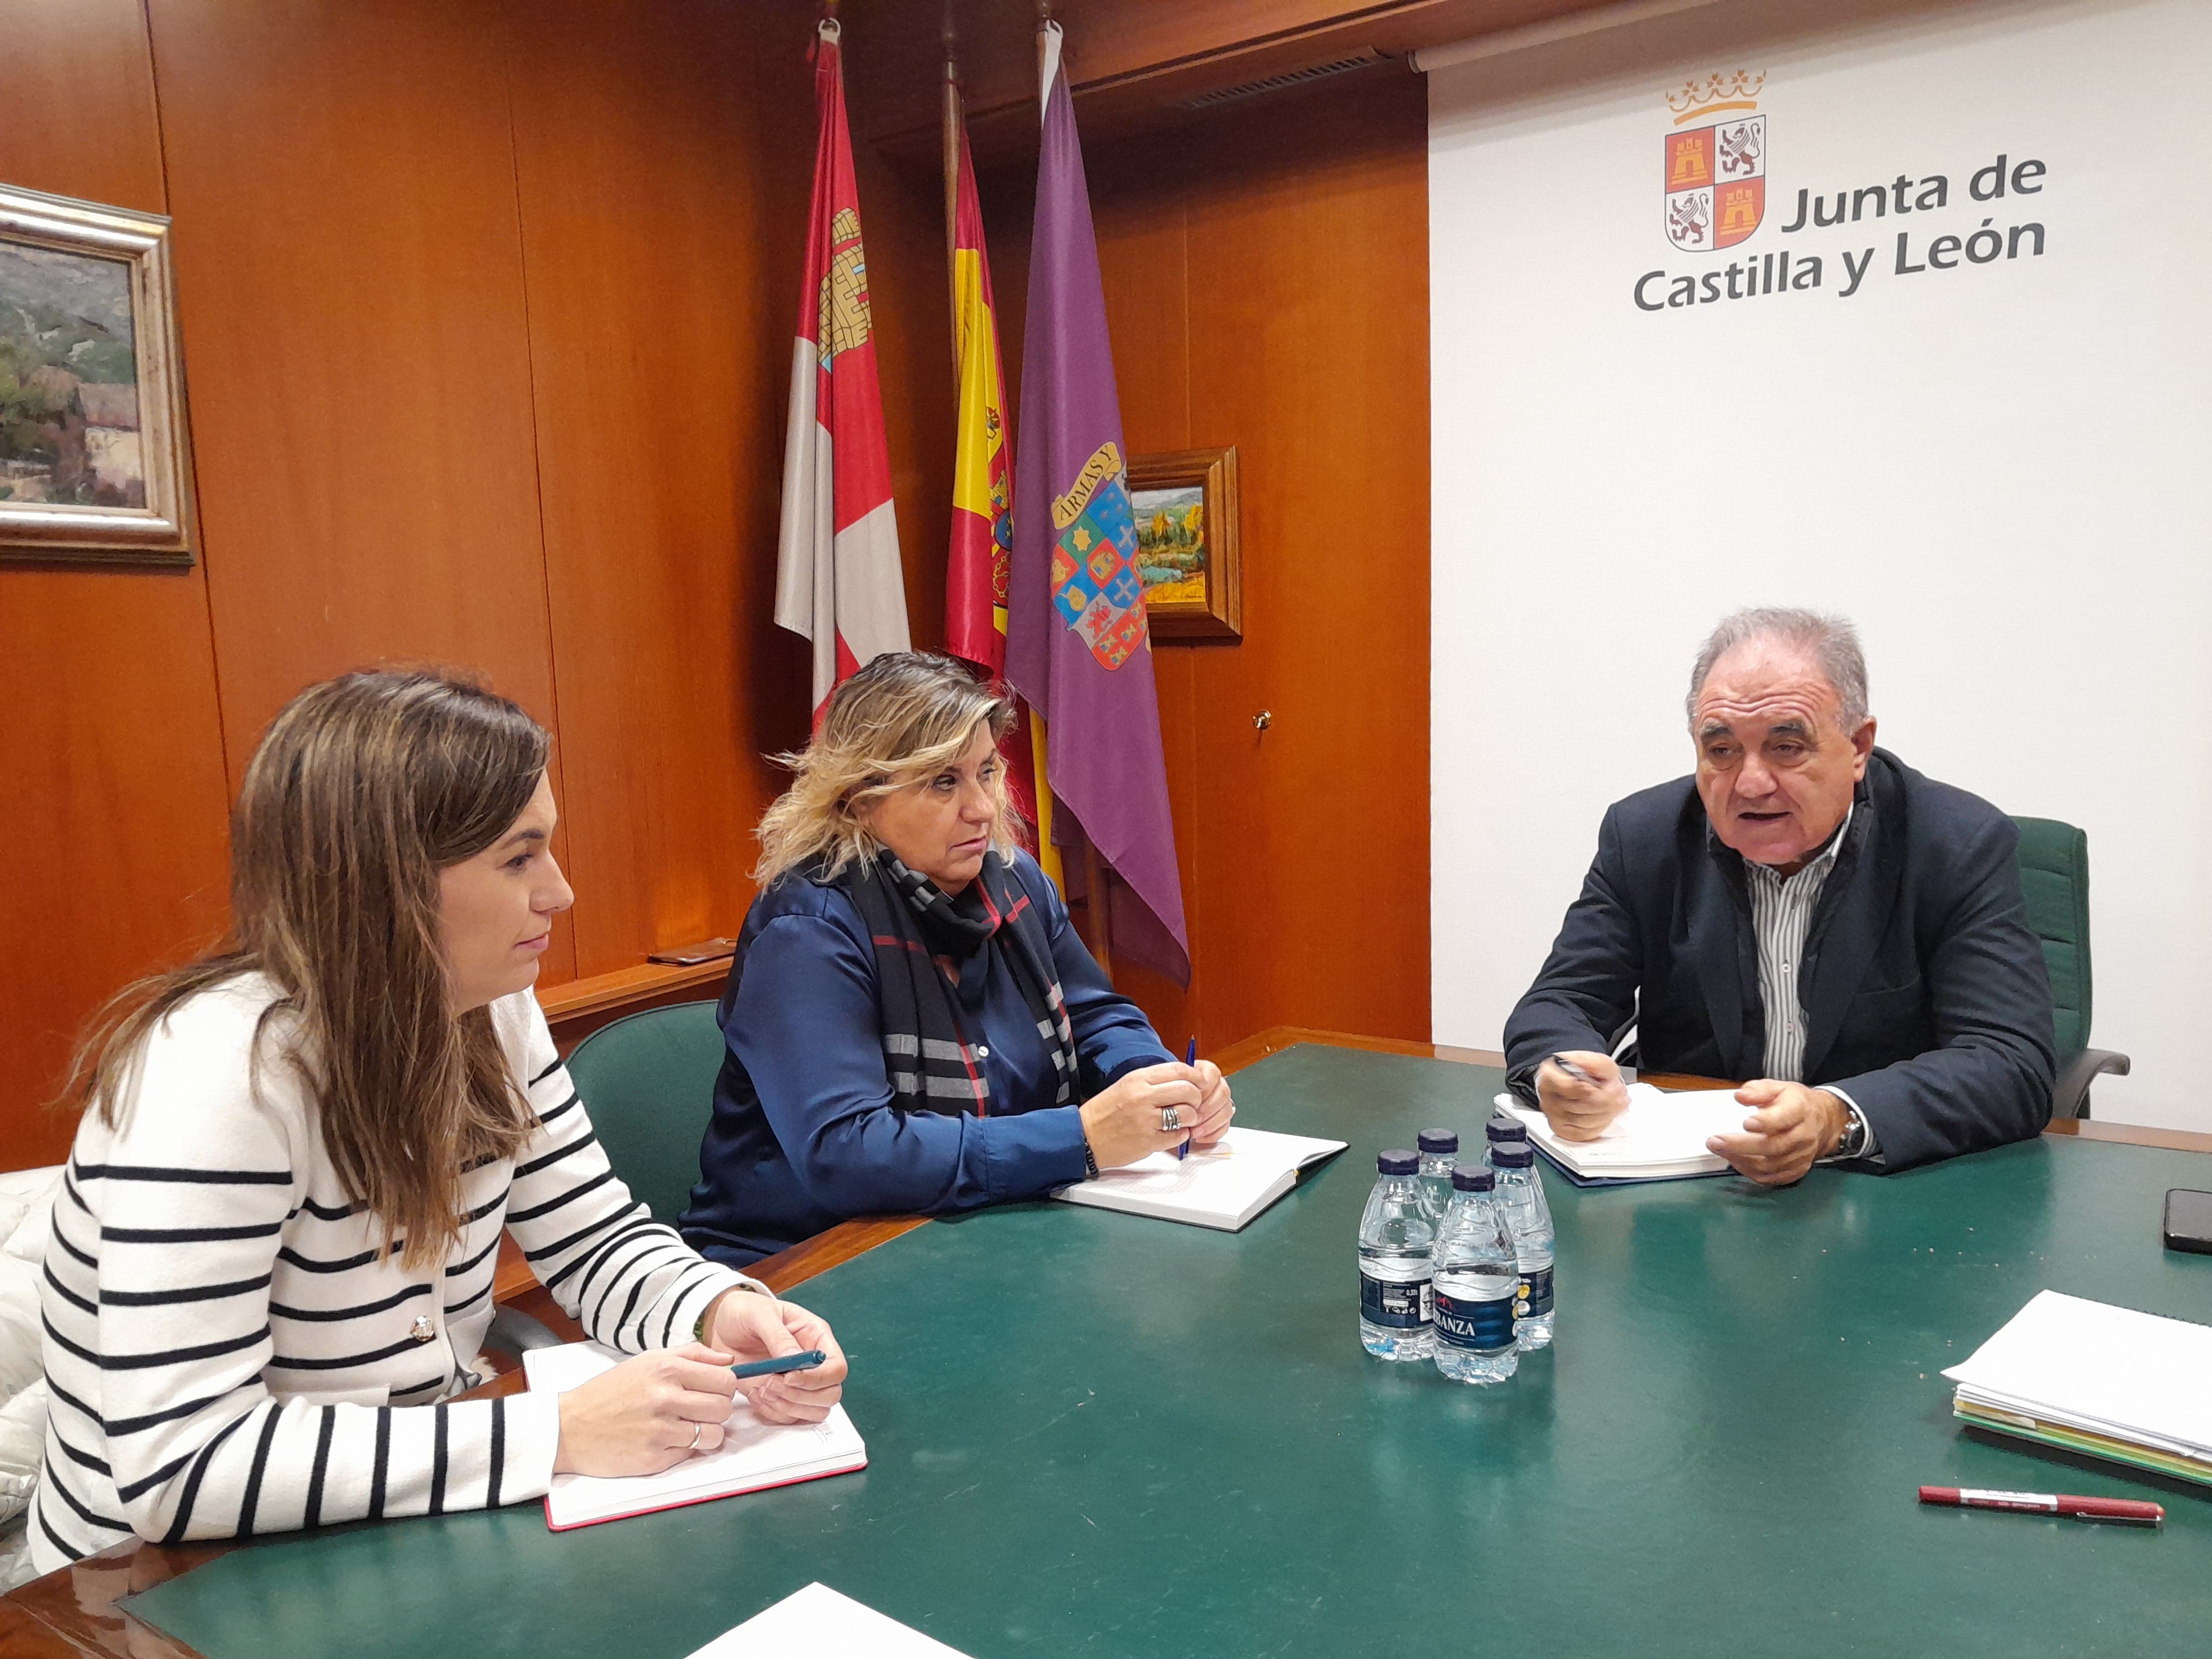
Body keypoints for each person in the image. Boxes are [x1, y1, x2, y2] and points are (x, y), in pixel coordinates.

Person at [30, 671, 848, 1574]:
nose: (560, 894)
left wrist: (715, 1310)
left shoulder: (492, 1004)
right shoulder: (219, 1077)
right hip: (145, 1584)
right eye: (517, 858)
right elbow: (181, 1469)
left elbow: (594, 1242)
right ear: (383, 884)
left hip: (390, 1514)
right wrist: (553, 1433)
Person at [681, 653, 1232, 1266]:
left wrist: (1160, 1088)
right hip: (807, 1265)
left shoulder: (1016, 882)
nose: (983, 808)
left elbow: (1097, 1018)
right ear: (861, 799)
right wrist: (1080, 1139)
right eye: (944, 782)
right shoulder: (808, 932)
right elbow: (849, 1154)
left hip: (988, 1231)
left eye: (988, 772)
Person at [1503, 607, 2055, 1183]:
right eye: (1721, 751)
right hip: (1692, 1187)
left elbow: (2010, 1062)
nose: (1750, 783)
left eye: (1787, 747)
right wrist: (1560, 1071)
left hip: (1884, 1189)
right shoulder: (1645, 838)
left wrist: (1834, 1116)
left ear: (1859, 746)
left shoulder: (1954, 843)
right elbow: (1558, 1003)